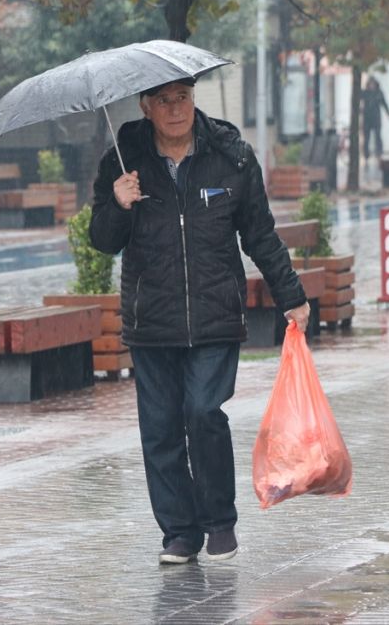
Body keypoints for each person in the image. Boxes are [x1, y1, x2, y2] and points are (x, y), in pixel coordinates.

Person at [89, 78, 310, 565]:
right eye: (164, 101)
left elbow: (260, 233)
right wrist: (118, 203)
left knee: (204, 413)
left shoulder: (230, 156)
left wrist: (290, 294)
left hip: (215, 315)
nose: (176, 109)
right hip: (152, 319)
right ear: (146, 107)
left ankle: (219, 522)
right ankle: (180, 533)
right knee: (161, 428)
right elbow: (102, 241)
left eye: (183, 97)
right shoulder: (123, 161)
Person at [361, 78, 389, 160]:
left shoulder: (379, 93)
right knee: (366, 137)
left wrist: (388, 113)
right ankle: (366, 154)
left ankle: (379, 152)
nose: (371, 85)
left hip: (376, 117)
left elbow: (384, 103)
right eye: (370, 84)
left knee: (378, 136)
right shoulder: (365, 93)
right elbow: (358, 100)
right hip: (367, 118)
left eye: (373, 84)